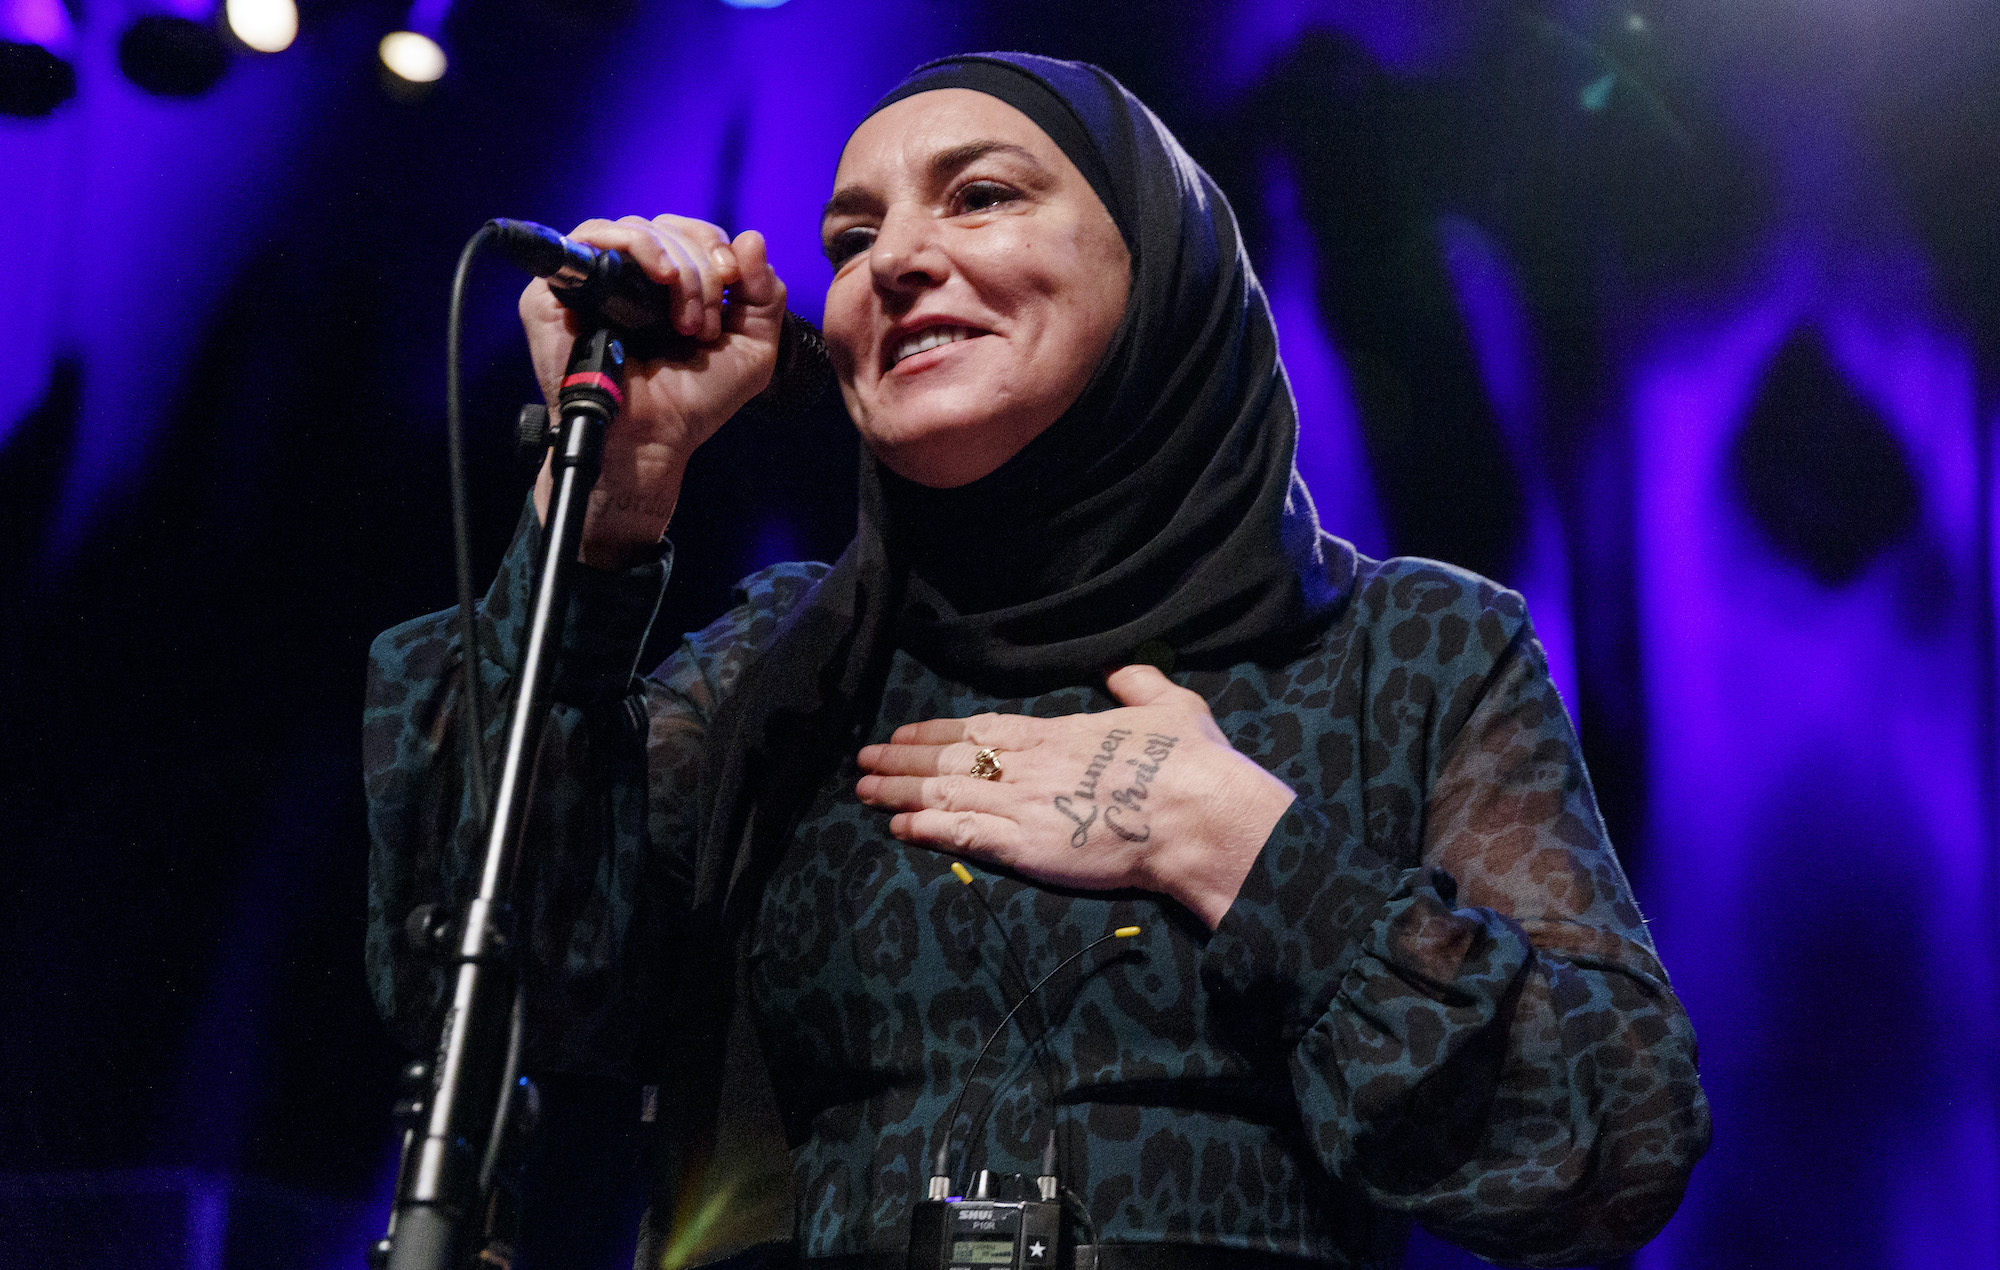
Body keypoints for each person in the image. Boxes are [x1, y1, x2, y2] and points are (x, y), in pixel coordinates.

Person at [365, 53, 1709, 1270]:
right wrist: (608, 506)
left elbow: (1613, 1143)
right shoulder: (785, 665)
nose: (895, 260)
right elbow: (477, 981)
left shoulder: (1406, 649)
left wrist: (1245, 851)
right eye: (851, 238)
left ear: (1159, 260)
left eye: (982, 196)